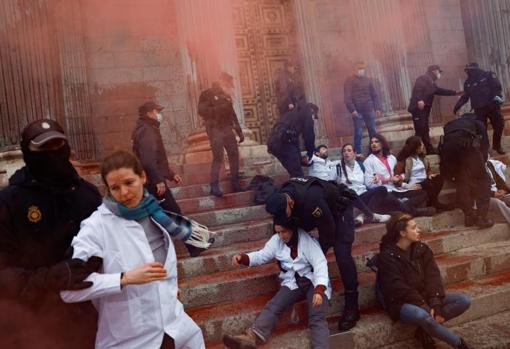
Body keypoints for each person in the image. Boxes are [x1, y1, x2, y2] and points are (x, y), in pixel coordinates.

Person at [60, 150, 205, 349]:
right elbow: (68, 289)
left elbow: (164, 269)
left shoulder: (157, 215)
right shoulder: (96, 226)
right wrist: (123, 278)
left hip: (176, 331)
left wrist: (166, 290)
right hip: (129, 340)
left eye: (129, 183)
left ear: (143, 177)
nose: (124, 193)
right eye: (115, 188)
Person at [0, 119, 102, 349]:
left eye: (58, 145)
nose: (53, 154)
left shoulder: (88, 195)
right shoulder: (8, 202)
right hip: (34, 326)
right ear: (27, 151)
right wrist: (48, 278)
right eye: (44, 148)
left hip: (91, 319)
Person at [265, 177, 360, 331]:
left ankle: (352, 306)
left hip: (338, 210)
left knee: (342, 253)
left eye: (285, 215)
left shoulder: (310, 199)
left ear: (290, 203)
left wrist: (313, 260)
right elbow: (280, 231)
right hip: (315, 214)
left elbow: (328, 233)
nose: (283, 218)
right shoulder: (280, 200)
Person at [222, 218, 331, 349]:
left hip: (315, 281)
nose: (281, 235)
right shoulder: (276, 240)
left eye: (284, 232)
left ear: (292, 229)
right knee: (273, 306)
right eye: (278, 232)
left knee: (317, 316)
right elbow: (262, 255)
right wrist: (242, 258)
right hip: (293, 282)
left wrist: (319, 290)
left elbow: (320, 264)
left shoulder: (306, 240)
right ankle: (251, 337)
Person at [377, 212, 472, 349]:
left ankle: (424, 330)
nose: (418, 230)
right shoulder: (387, 256)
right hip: (401, 302)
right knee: (422, 315)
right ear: (402, 233)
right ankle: (460, 344)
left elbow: (433, 277)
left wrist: (436, 304)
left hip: (425, 296)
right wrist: (423, 304)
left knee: (463, 300)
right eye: (414, 228)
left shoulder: (422, 249)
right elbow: (396, 287)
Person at [309, 144, 390, 225]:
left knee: (382, 189)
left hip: (363, 195)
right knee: (350, 192)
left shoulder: (360, 165)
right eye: (344, 151)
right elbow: (330, 183)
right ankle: (371, 216)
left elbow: (368, 181)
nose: (346, 153)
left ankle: (362, 216)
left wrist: (376, 176)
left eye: (349, 150)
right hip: (350, 198)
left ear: (354, 153)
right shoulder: (337, 167)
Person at [439, 113, 493, 228]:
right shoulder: (477, 122)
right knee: (484, 179)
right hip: (467, 147)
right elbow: (485, 145)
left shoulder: (450, 125)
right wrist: (481, 164)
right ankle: (482, 218)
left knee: (462, 181)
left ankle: (469, 216)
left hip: (448, 152)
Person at [363, 134, 434, 217]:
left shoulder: (391, 158)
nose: (373, 144)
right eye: (371, 142)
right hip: (384, 192)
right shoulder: (368, 161)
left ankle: (401, 205)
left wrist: (401, 178)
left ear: (382, 144)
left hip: (397, 189)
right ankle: (415, 212)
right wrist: (387, 179)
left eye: (376, 142)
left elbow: (402, 174)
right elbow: (368, 183)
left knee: (422, 193)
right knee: (390, 198)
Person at [197, 72, 245, 197]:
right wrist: (220, 106)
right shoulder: (207, 94)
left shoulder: (226, 96)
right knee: (218, 157)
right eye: (227, 84)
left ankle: (235, 184)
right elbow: (201, 111)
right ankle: (214, 186)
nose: (229, 86)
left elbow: (232, 113)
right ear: (221, 82)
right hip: (214, 129)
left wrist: (239, 131)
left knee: (234, 155)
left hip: (227, 129)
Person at [132, 101, 183, 213]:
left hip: (152, 178)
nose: (159, 114)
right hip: (153, 181)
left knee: (165, 213)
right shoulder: (147, 130)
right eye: (157, 111)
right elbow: (148, 159)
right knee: (173, 212)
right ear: (149, 113)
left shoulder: (149, 128)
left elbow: (157, 159)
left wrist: (171, 174)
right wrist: (158, 180)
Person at [453, 62, 506, 154]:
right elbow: (465, 96)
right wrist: (457, 106)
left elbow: (497, 88)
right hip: (479, 110)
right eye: (467, 71)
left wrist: (497, 97)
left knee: (499, 125)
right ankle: (486, 148)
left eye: (469, 70)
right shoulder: (468, 82)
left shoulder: (488, 75)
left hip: (492, 106)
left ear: (475, 69)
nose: (468, 72)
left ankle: (497, 145)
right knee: (481, 130)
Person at [408, 65, 460, 154]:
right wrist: (419, 100)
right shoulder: (423, 78)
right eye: (439, 72)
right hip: (418, 109)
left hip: (424, 111)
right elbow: (418, 89)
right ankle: (411, 151)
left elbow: (440, 91)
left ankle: (429, 150)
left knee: (424, 129)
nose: (439, 74)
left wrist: (455, 93)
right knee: (420, 130)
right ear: (434, 71)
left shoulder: (431, 83)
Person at [395, 136, 453, 211]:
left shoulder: (422, 158)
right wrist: (408, 186)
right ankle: (435, 204)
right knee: (427, 184)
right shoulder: (403, 162)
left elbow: (427, 170)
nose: (423, 146)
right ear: (416, 148)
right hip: (413, 185)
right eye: (421, 144)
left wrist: (429, 174)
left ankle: (433, 202)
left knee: (439, 178)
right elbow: (397, 180)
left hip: (425, 182)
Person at [267, 103, 318, 177]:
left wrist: (300, 159)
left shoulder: (293, 114)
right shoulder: (307, 113)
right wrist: (311, 153)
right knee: (298, 175)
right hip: (283, 143)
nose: (313, 118)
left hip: (274, 143)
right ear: (312, 111)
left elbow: (294, 140)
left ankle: (295, 186)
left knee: (295, 172)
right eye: (314, 115)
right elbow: (309, 135)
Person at [343, 62, 382, 154]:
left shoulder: (368, 80)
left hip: (369, 109)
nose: (361, 70)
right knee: (358, 133)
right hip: (357, 111)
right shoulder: (349, 81)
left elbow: (374, 95)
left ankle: (373, 151)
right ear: (355, 69)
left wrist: (377, 108)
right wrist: (352, 110)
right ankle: (358, 152)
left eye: (363, 68)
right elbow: (347, 97)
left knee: (372, 131)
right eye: (359, 68)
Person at [486, 157, 510, 224]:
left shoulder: (489, 164)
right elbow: (475, 190)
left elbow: (500, 181)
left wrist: (504, 190)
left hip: (497, 194)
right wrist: (493, 194)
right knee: (498, 203)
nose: (488, 155)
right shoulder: (473, 168)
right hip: (485, 198)